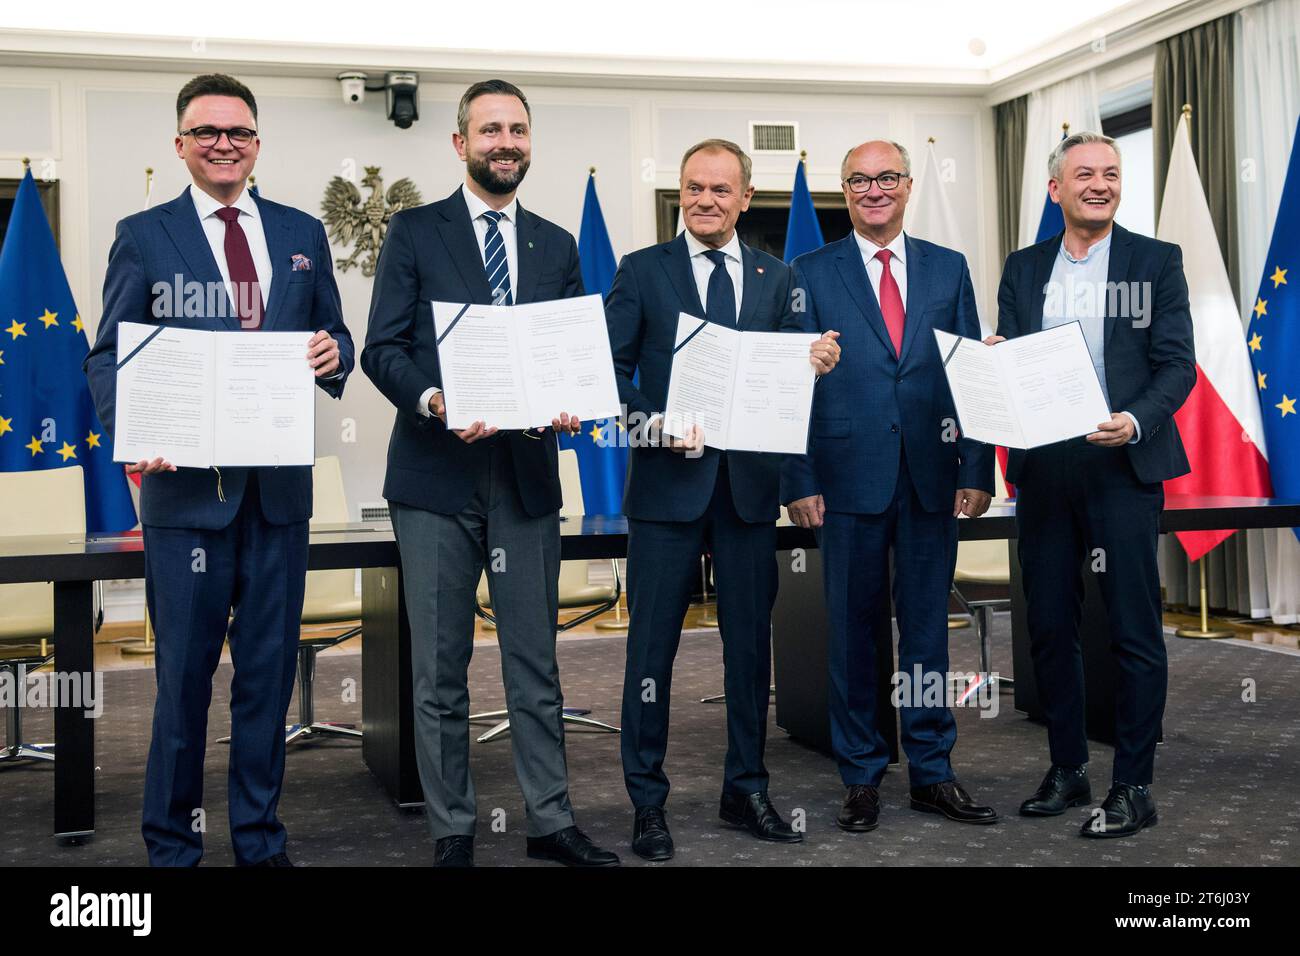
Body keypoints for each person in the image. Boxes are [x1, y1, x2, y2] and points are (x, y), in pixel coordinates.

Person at [84, 73, 353, 866]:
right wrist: (134, 432)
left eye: (237, 131)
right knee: (184, 684)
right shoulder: (144, 234)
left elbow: (330, 332)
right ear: (181, 145)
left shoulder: (302, 232)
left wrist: (334, 353)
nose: (223, 143)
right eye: (206, 132)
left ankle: (259, 841)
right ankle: (171, 845)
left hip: (276, 500)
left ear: (258, 143)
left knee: (266, 681)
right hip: (185, 501)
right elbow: (109, 357)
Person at [361, 79, 618, 868]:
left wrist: (573, 400)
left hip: (528, 476)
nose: (505, 142)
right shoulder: (414, 231)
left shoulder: (555, 242)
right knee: (439, 670)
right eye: (489, 130)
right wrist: (435, 398)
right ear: (460, 143)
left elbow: (573, 352)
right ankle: (452, 831)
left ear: (529, 141)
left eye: (517, 130)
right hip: (436, 479)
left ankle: (549, 822)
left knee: (534, 662)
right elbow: (382, 349)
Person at [606, 139, 840, 861]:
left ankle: (746, 789)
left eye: (720, 190)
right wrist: (657, 423)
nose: (705, 200)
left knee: (749, 651)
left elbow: (787, 387)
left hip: (747, 493)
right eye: (693, 188)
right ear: (681, 194)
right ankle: (647, 802)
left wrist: (815, 364)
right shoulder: (641, 272)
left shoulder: (778, 279)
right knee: (651, 654)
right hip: (665, 493)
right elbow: (609, 376)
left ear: (745, 198)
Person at [783, 140, 996, 833]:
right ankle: (862, 776)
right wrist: (800, 477)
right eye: (858, 181)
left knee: (929, 632)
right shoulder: (808, 271)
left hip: (933, 480)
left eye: (885, 178)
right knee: (852, 634)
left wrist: (976, 465)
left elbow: (971, 374)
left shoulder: (949, 267)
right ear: (843, 192)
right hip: (844, 482)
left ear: (906, 186)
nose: (873, 190)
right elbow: (792, 381)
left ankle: (933, 770)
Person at [988, 131, 1195, 838]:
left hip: (1122, 467)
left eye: (1111, 173)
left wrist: (1135, 420)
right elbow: (1011, 363)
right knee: (1049, 626)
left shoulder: (1156, 261)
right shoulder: (1022, 269)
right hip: (1044, 469)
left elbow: (1177, 366)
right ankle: (1068, 770)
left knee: (1134, 632)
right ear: (1057, 189)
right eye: (1084, 174)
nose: (1100, 183)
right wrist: (993, 364)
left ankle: (1133, 785)